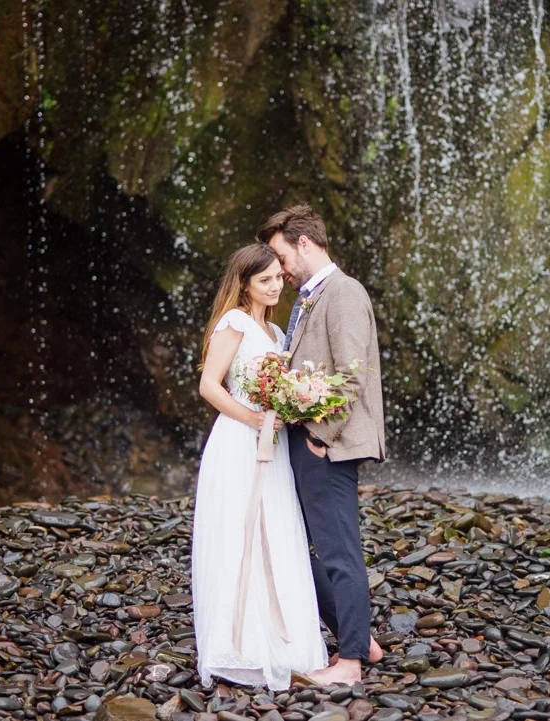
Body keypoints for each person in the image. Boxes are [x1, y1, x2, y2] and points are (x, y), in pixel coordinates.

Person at [258, 204, 386, 685]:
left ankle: (349, 663)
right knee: (296, 544)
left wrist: (318, 437)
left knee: (338, 551)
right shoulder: (311, 297)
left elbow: (351, 376)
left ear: (303, 243)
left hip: (326, 446)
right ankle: (361, 641)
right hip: (306, 439)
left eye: (281, 256)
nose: (280, 269)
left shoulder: (345, 293)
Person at [191, 243, 328, 691]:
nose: (274, 287)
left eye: (277, 278)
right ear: (244, 283)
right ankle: (239, 644)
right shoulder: (234, 323)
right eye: (264, 280)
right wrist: (251, 417)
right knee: (239, 532)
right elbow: (209, 385)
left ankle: (283, 642)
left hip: (272, 442)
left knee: (277, 530)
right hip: (237, 441)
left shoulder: (274, 334)